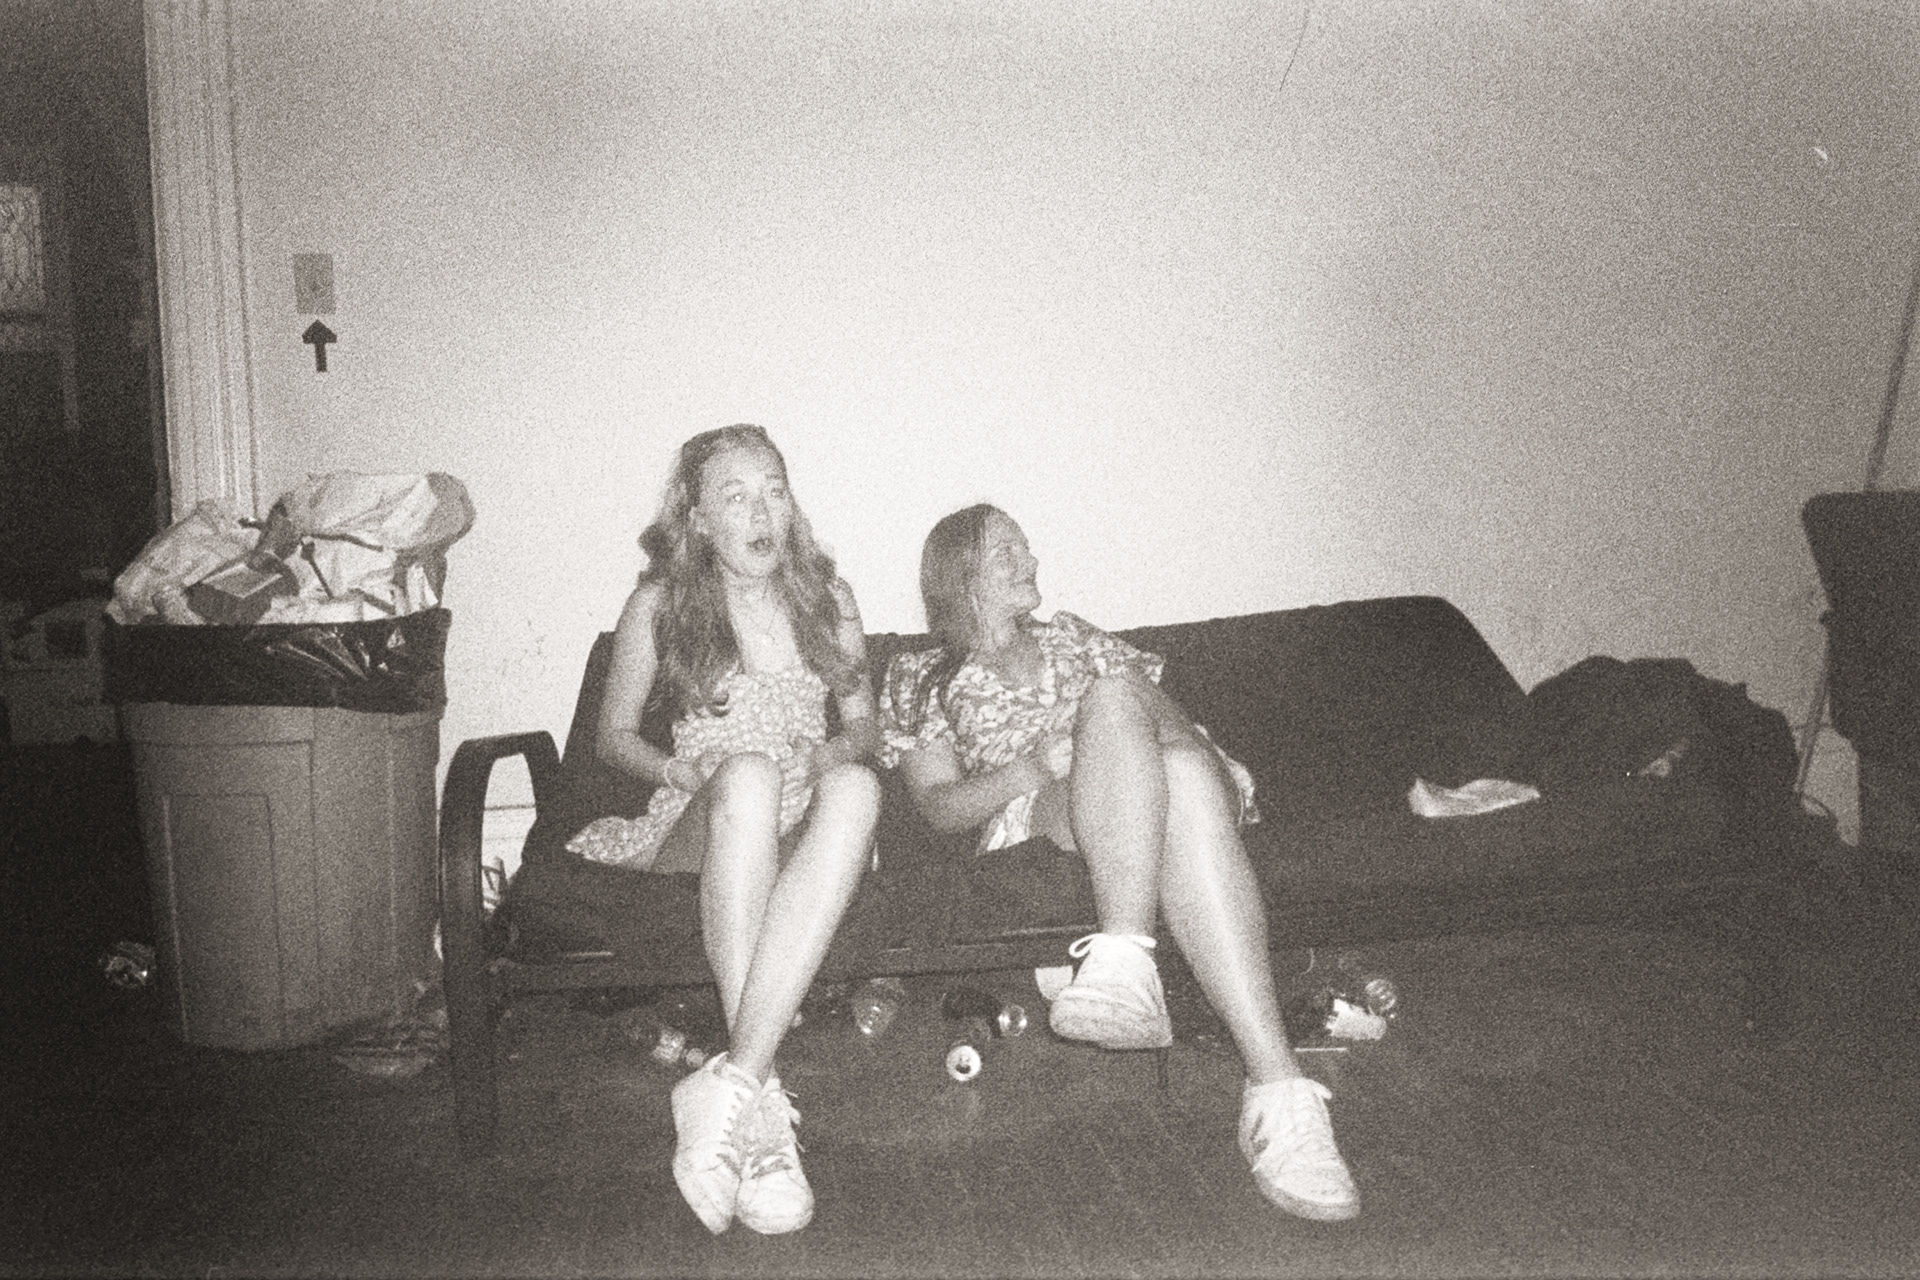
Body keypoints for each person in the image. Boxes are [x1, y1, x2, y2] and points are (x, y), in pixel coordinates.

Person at [877, 503, 1361, 1222]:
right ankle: (1278, 1089)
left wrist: (1110, 725)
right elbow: (939, 807)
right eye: (1008, 553)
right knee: (1170, 770)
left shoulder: (1075, 635)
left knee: (1139, 721)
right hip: (1046, 812)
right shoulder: (919, 676)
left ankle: (1124, 959)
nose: (1031, 562)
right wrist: (1033, 767)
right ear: (962, 579)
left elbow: (1173, 725)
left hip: (1177, 772)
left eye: (1027, 548)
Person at [566, 423, 881, 1236]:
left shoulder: (830, 599)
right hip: (708, 811)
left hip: (800, 809)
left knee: (856, 787)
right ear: (699, 519)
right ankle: (764, 1120)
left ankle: (736, 1090)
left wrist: (827, 753)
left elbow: (865, 729)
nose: (761, 511)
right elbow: (613, 738)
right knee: (747, 773)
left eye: (774, 490)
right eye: (735, 496)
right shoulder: (661, 605)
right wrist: (686, 773)